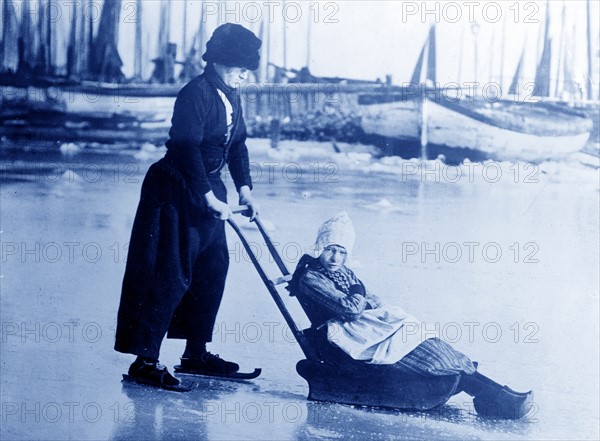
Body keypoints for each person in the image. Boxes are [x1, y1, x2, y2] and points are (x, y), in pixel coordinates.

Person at [114, 23, 261, 391]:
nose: (245, 75)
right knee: (169, 271)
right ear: (221, 62)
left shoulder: (232, 94)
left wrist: (244, 190)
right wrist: (208, 198)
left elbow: (238, 145)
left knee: (213, 267)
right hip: (174, 188)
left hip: (209, 185)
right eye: (241, 68)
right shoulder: (195, 93)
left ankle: (196, 352)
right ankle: (144, 359)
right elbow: (186, 148)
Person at [289, 212, 533, 419]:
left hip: (362, 326)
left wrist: (362, 296)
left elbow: (372, 301)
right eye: (331, 250)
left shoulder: (343, 273)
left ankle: (496, 393)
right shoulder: (312, 278)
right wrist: (359, 291)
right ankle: (492, 397)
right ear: (320, 247)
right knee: (418, 351)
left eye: (342, 252)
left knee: (421, 337)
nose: (335, 258)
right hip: (343, 333)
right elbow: (350, 309)